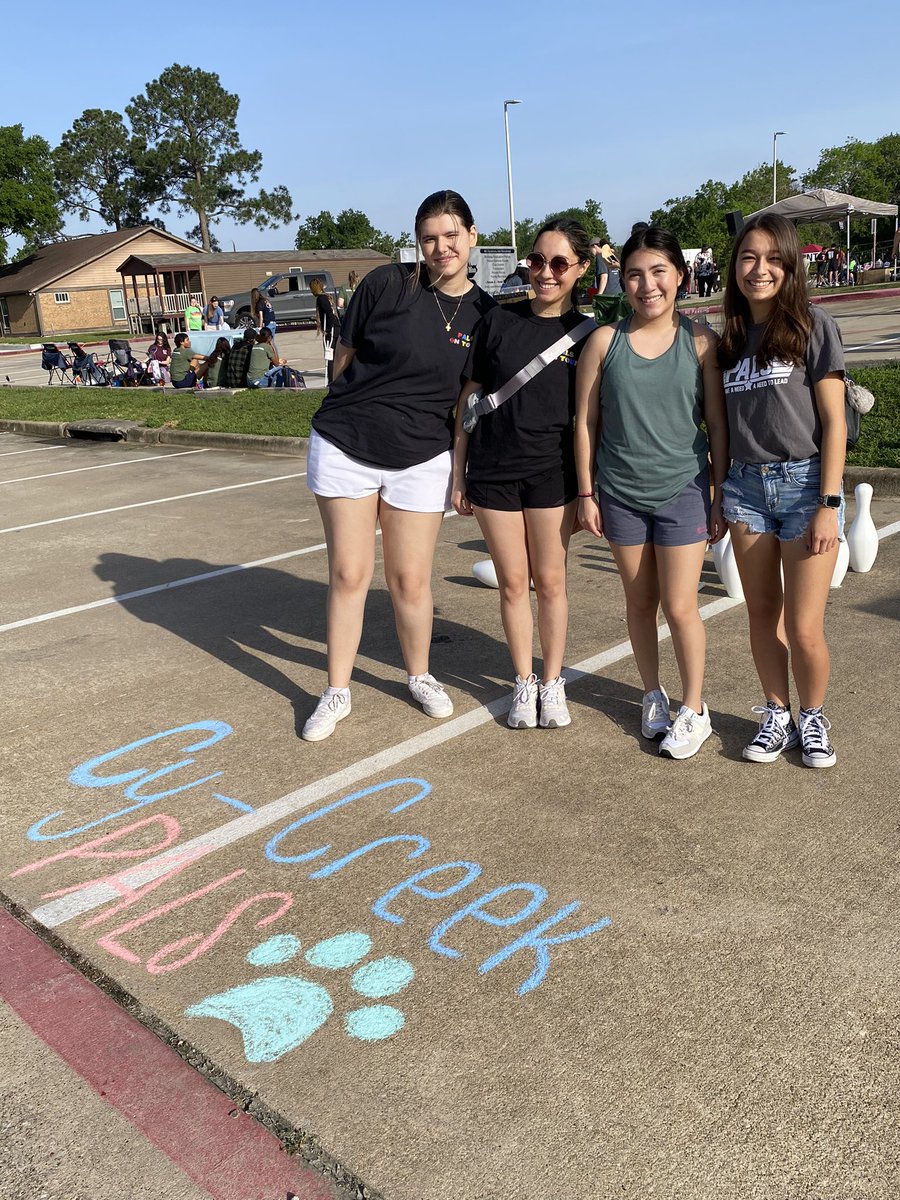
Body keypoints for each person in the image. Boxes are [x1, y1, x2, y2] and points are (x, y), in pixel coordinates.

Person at [302, 189, 495, 742]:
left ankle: (420, 675)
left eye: (451, 235)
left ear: (471, 236)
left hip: (423, 457)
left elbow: (465, 401)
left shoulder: (484, 314)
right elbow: (345, 355)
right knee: (349, 574)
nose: (441, 247)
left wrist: (459, 471)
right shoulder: (388, 283)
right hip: (347, 446)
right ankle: (337, 690)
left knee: (410, 579)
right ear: (418, 242)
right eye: (430, 238)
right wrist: (350, 407)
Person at [575, 226, 728, 759]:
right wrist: (586, 492)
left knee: (682, 605)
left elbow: (716, 422)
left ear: (680, 276)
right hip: (619, 493)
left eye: (658, 271)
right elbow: (585, 422)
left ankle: (695, 708)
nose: (646, 284)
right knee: (640, 602)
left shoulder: (700, 340)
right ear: (622, 278)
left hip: (683, 489)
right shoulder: (603, 340)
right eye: (635, 273)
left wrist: (718, 491)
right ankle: (652, 695)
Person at [452, 218, 593, 729]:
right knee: (513, 584)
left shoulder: (589, 336)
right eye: (536, 261)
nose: (545, 273)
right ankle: (523, 681)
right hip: (492, 471)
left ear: (581, 268)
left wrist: (586, 488)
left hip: (552, 474)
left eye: (559, 263)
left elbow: (591, 421)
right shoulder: (497, 322)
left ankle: (552, 682)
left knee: (551, 582)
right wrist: (458, 470)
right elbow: (468, 401)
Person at [717, 213, 846, 768]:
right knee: (761, 614)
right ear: (734, 266)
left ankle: (813, 717)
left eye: (773, 259)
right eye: (748, 257)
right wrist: (722, 489)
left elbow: (835, 423)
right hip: (745, 488)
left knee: (803, 624)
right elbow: (720, 423)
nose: (760, 269)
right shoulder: (725, 338)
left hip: (803, 487)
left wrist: (829, 504)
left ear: (790, 265)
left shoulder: (814, 327)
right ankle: (777, 714)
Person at [310, 277, 341, 385]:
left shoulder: (321, 298)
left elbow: (328, 312)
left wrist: (329, 328)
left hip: (331, 330)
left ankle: (331, 380)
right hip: (335, 328)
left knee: (330, 355)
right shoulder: (327, 296)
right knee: (334, 354)